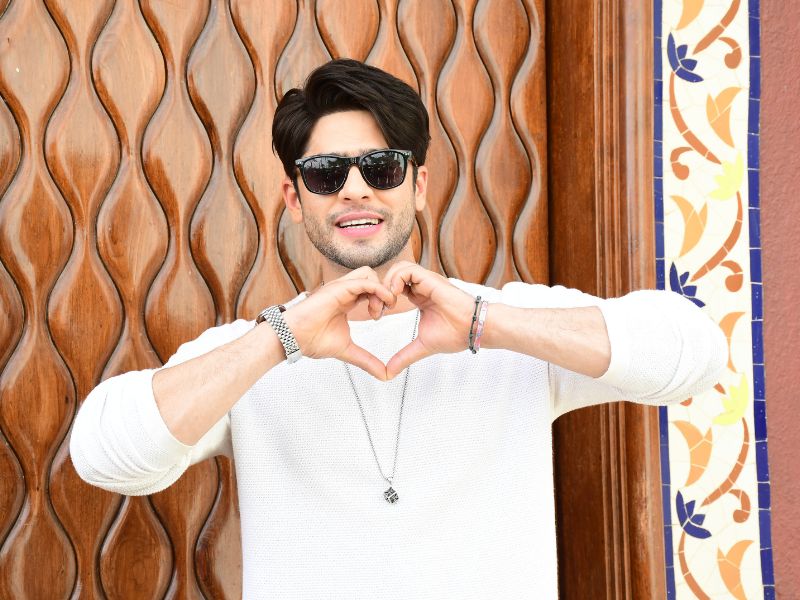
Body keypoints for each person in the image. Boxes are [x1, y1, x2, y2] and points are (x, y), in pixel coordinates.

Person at [71, 59, 726, 599]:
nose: (355, 190)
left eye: (381, 167)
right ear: (294, 199)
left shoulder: (512, 325)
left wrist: (484, 322)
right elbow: (104, 455)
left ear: (418, 187)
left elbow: (696, 354)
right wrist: (281, 338)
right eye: (326, 174)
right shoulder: (253, 351)